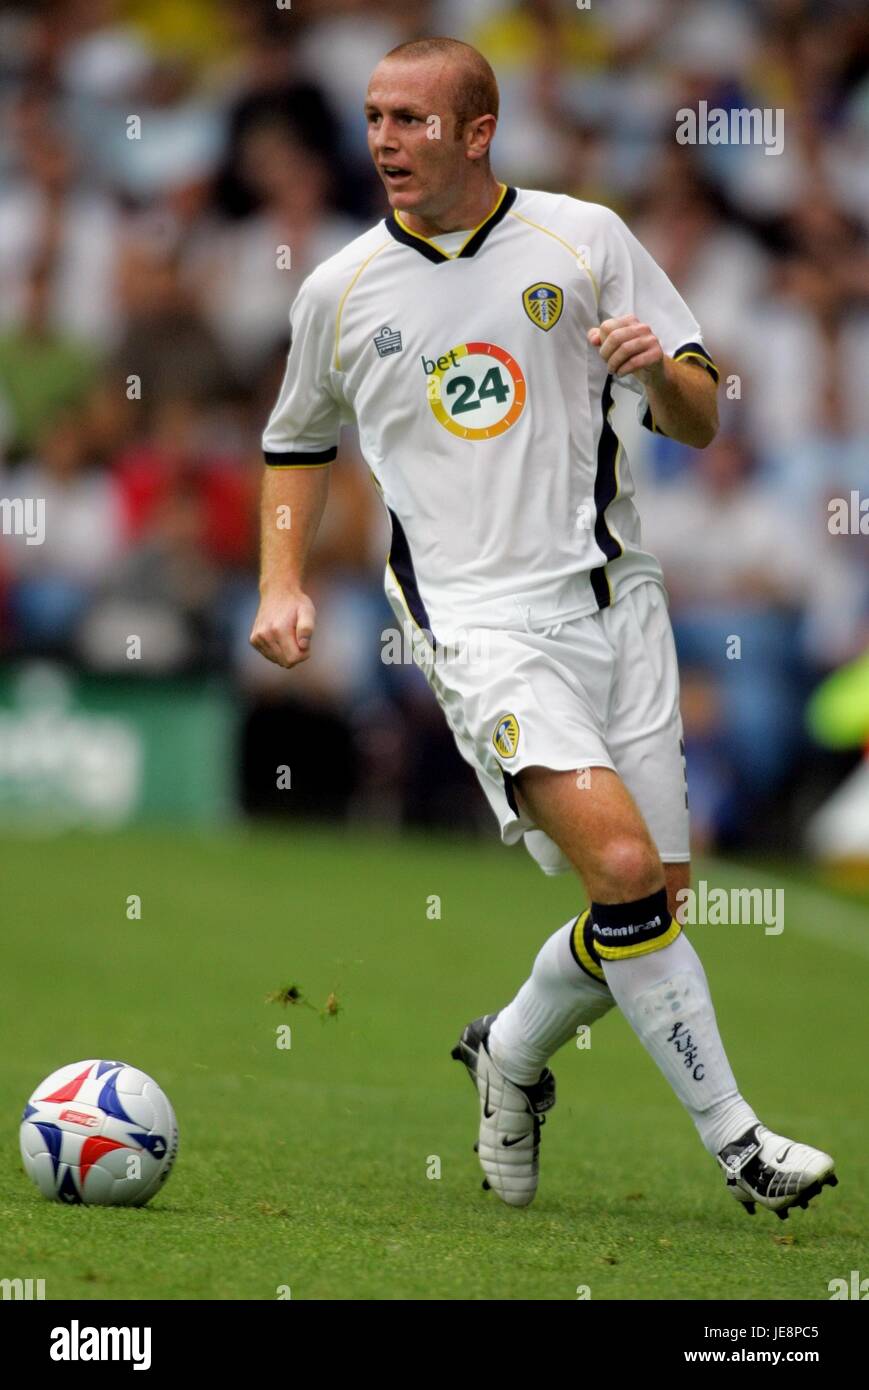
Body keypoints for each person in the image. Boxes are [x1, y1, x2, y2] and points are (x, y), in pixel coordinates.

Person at [250, 37, 836, 1218]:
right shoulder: (340, 288)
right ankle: (739, 1145)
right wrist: (280, 580)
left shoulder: (587, 239)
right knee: (617, 868)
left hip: (620, 603)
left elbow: (700, 416)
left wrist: (657, 373)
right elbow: (295, 438)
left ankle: (509, 1053)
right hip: (474, 623)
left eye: (410, 119)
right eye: (372, 117)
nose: (382, 141)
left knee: (645, 907)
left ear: (478, 131)